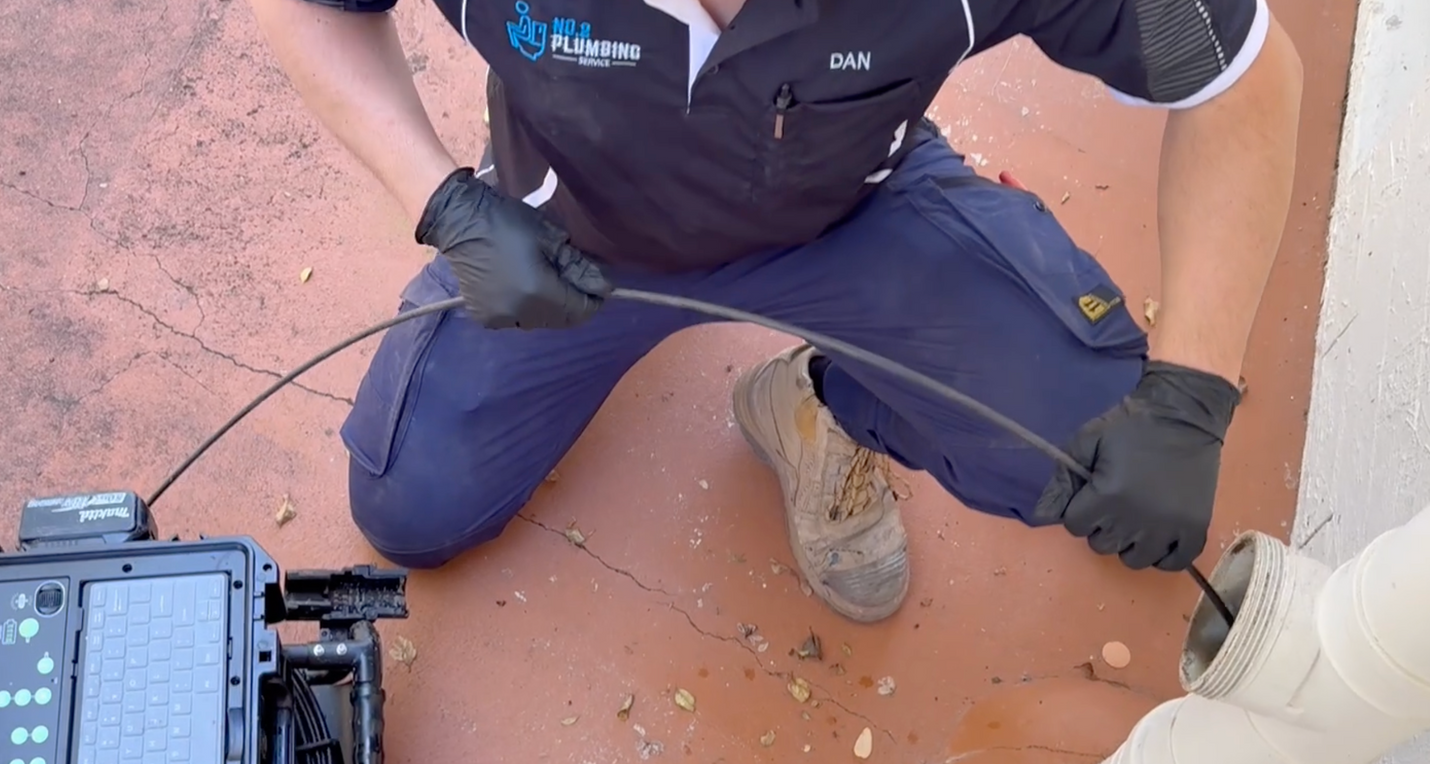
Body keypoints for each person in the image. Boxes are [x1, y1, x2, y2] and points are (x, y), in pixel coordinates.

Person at [250, 0, 1303, 623]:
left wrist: (1193, 395)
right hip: (568, 238)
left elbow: (1241, 78)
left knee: (1087, 446)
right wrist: (443, 203)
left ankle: (817, 400)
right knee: (409, 508)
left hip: (847, 214)